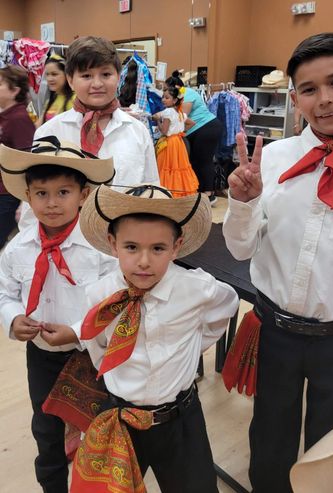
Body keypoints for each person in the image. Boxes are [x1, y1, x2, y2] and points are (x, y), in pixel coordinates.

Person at [223, 32, 333, 493]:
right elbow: (241, 250)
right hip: (275, 332)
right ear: (294, 98)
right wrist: (241, 202)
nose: (324, 100)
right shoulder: (274, 159)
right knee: (268, 435)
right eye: (309, 89)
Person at [40, 183, 239, 493]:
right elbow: (98, 348)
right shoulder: (100, 295)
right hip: (120, 417)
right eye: (131, 247)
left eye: (158, 248)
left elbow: (225, 308)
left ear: (176, 247)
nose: (144, 261)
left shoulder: (197, 288)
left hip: (180, 419)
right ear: (113, 243)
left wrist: (191, 348)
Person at [0, 137, 117, 493]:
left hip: (94, 355)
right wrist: (13, 318)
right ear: (28, 197)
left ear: (83, 194)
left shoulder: (101, 247)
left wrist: (79, 333)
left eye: (63, 192)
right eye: (41, 193)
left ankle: (99, 482)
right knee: (45, 425)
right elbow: (4, 292)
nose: (51, 203)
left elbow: (115, 301)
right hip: (42, 356)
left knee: (100, 424)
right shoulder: (17, 248)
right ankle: (53, 486)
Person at [34, 36, 158, 188]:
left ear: (118, 77)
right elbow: (36, 194)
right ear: (71, 80)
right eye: (86, 76)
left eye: (106, 74)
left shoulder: (137, 131)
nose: (97, 84)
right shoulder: (49, 132)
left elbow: (151, 188)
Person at [166, 70, 223, 206]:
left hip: (207, 127)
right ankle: (199, 191)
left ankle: (209, 194)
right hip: (199, 130)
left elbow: (182, 117)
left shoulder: (186, 93)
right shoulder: (180, 95)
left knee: (204, 161)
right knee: (195, 161)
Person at [0, 64, 35, 249]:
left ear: (14, 91)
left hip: (8, 194)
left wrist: (23, 201)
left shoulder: (18, 119)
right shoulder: (5, 116)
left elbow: (27, 159)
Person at [152, 85, 198, 197]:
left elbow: (164, 131)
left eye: (167, 98)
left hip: (169, 144)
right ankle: (180, 191)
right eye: (163, 97)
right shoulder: (180, 112)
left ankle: (167, 192)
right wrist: (181, 131)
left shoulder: (168, 112)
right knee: (179, 167)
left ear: (175, 100)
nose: (163, 99)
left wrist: (158, 121)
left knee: (167, 167)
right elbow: (192, 123)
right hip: (179, 142)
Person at [36, 54, 75, 127]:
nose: (49, 79)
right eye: (47, 74)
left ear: (66, 74)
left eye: (54, 74)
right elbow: (39, 126)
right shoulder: (51, 100)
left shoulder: (76, 100)